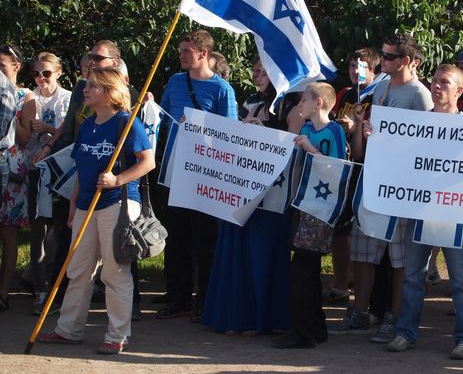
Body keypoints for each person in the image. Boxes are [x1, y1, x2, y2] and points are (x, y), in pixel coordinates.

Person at [38, 67, 154, 354]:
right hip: (86, 204)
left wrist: (118, 179)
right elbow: (81, 168)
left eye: (92, 86)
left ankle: (117, 335)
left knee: (114, 273)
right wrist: (74, 202)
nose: (85, 90)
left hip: (118, 203)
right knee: (78, 269)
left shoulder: (126, 123)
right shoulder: (88, 124)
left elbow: (147, 161)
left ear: (108, 91)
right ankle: (68, 330)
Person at [334, 34, 433, 344]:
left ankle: (396, 319)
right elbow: (369, 144)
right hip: (374, 181)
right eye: (384, 56)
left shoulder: (420, 95)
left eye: (389, 57)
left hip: (402, 188)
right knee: (364, 252)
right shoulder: (381, 88)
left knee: (400, 259)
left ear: (405, 61)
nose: (383, 62)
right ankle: (361, 311)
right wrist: (363, 128)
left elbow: (426, 147)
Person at [202, 59, 299, 335]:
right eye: (255, 70)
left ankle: (262, 319)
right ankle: (236, 316)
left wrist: (263, 131)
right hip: (243, 189)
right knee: (238, 253)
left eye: (263, 71)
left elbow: (291, 149)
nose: (256, 75)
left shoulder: (291, 109)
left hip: (272, 195)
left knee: (262, 254)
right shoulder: (250, 103)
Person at [386, 64, 463, 360]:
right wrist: (377, 135)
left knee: (461, 279)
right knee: (413, 275)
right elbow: (396, 156)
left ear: (459, 90)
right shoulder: (416, 124)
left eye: (445, 82)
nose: (436, 86)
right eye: (434, 81)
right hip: (420, 208)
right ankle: (405, 332)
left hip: (454, 213)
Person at [157, 29, 237, 322]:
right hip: (176, 169)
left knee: (205, 241)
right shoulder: (175, 82)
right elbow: (162, 117)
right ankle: (177, 297)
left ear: (203, 54)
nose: (180, 56)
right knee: (176, 236)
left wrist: (200, 128)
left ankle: (205, 300)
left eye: (186, 52)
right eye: (180, 51)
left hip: (206, 175)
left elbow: (229, 135)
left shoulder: (222, 90)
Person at [273, 82, 347, 349]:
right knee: (307, 271)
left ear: (318, 103)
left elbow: (339, 169)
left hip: (321, 210)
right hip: (302, 205)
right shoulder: (304, 129)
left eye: (304, 99)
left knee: (303, 272)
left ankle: (303, 333)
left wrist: (311, 150)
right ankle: (315, 327)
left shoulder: (334, 131)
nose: (299, 104)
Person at [326, 48, 380, 305]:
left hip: (364, 166)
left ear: (373, 70)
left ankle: (361, 291)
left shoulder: (377, 94)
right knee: (339, 228)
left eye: (361, 67)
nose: (354, 71)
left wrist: (357, 126)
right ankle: (339, 284)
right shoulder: (345, 94)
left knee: (357, 231)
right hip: (339, 165)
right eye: (351, 66)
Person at [27, 52, 71, 314]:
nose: (41, 78)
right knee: (37, 228)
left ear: (58, 73)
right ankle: (39, 288)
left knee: (61, 228)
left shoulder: (67, 98)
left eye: (47, 73)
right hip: (35, 168)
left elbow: (68, 133)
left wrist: (47, 128)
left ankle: (58, 288)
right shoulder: (29, 97)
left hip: (61, 169)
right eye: (36, 73)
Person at [0, 44, 36, 311]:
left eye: (2, 66)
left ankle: (3, 291)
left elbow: (26, 137)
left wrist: (11, 113)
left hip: (13, 168)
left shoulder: (25, 96)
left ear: (16, 65)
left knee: (8, 231)